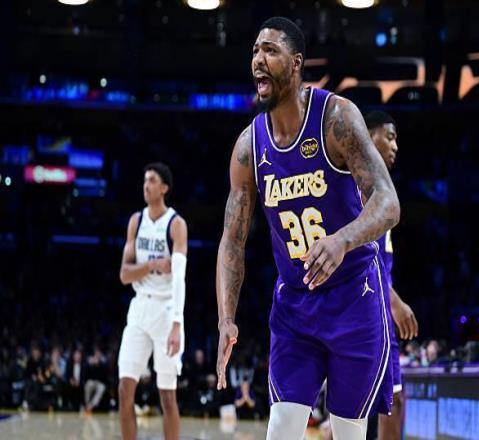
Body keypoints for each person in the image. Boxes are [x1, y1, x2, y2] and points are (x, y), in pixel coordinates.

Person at [215, 16, 400, 440]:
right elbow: (232, 241)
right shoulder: (249, 146)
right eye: (255, 51)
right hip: (295, 306)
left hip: (355, 296)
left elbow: (388, 202)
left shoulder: (336, 117)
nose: (258, 59)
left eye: (270, 51)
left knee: (348, 432)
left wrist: (342, 240)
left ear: (296, 63)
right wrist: (226, 318)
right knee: (281, 427)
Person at [118, 162, 188, 440]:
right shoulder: (136, 221)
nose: (146, 185)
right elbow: (124, 274)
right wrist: (152, 265)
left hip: (166, 310)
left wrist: (177, 324)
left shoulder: (176, 224)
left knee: (167, 397)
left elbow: (179, 278)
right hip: (139, 308)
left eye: (152, 181)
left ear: (164, 188)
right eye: (144, 180)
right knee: (124, 389)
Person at [364, 110, 419, 440]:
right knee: (388, 402)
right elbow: (362, 256)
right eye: (390, 136)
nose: (395, 145)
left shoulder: (379, 186)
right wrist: (393, 301)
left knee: (388, 402)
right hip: (370, 307)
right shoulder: (362, 184)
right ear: (370, 137)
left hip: (377, 305)